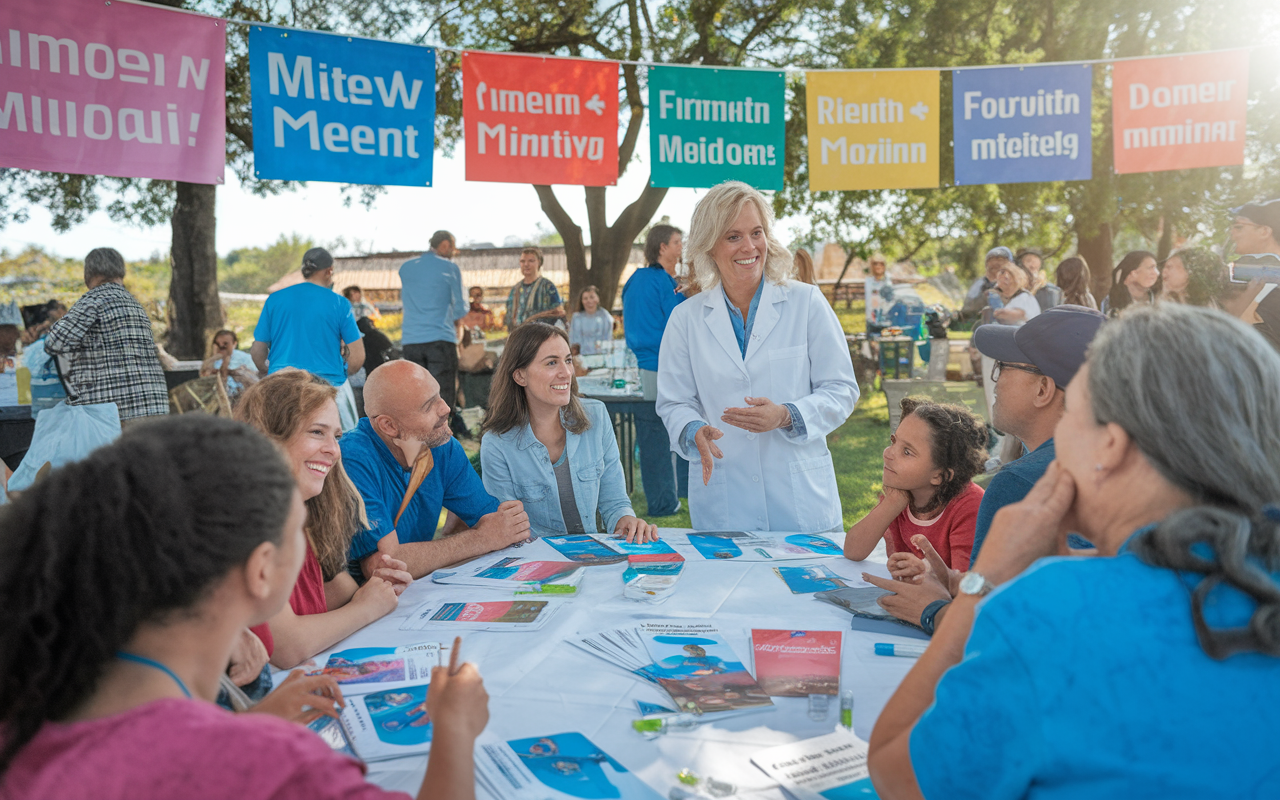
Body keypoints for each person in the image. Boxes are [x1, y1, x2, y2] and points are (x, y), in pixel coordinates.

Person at [866, 302, 1280, 800]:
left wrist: (981, 587)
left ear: (1110, 445)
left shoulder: (1050, 608)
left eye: (1075, 420)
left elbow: (895, 770)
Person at [0, 415, 489, 800]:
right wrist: (455, 728)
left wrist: (249, 724)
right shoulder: (274, 764)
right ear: (261, 571)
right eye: (298, 527)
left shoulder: (28, 704)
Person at [875, 306, 1105, 635]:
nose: (994, 380)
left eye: (1002, 367)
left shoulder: (1020, 483)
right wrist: (957, 582)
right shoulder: (1115, 466)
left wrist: (933, 610)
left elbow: (991, 628)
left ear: (1043, 389)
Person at [657, 181, 860, 532]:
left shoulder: (806, 303)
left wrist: (787, 414)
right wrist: (694, 431)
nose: (749, 246)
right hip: (725, 498)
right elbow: (674, 402)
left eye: (757, 233)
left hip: (800, 502)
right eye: (733, 236)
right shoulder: (685, 319)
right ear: (709, 246)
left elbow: (841, 389)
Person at [234, 371, 411, 669]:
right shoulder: (244, 525)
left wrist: (378, 584)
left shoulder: (299, 521)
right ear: (268, 437)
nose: (334, 450)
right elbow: (287, 645)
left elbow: (338, 595)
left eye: (336, 436)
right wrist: (367, 607)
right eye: (317, 432)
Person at [340, 359, 532, 580]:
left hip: (410, 596)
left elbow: (496, 524)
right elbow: (383, 566)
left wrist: (494, 532)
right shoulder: (352, 459)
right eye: (428, 405)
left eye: (439, 395)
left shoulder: (441, 446)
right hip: (351, 605)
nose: (446, 409)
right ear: (388, 426)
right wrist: (481, 539)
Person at [480, 324, 658, 542]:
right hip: (536, 565)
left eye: (568, 360)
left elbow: (615, 502)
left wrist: (627, 521)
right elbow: (510, 530)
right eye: (552, 363)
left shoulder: (597, 416)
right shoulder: (497, 444)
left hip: (593, 560)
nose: (566, 373)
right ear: (520, 376)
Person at [843, 398, 986, 571]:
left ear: (939, 475)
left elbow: (964, 583)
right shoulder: (901, 493)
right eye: (893, 441)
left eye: (907, 452)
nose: (888, 453)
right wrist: (891, 504)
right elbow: (853, 551)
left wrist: (923, 571)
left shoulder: (969, 506)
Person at [43, 247, 167, 424]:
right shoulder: (135, 304)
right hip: (154, 405)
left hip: (115, 412)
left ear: (88, 273)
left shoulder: (94, 299)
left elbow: (53, 343)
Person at [250, 248, 364, 432]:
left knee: (283, 446)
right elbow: (357, 358)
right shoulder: (339, 303)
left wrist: (269, 371)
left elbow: (257, 352)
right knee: (335, 450)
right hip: (328, 390)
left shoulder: (275, 300)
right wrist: (341, 374)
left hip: (282, 389)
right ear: (329, 271)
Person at [623, 224, 689, 516]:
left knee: (653, 435)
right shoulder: (664, 282)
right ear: (662, 247)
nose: (681, 248)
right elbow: (681, 322)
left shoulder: (634, 280)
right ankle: (664, 502)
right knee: (663, 436)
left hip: (640, 367)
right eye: (678, 242)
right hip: (663, 368)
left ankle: (678, 493)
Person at [399, 231, 469, 439]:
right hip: (440, 338)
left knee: (416, 396)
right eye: (453, 248)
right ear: (445, 245)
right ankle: (442, 444)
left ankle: (416, 441)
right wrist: (449, 317)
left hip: (411, 340)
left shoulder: (406, 268)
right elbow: (461, 307)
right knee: (442, 396)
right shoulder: (449, 267)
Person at [506, 247, 562, 331]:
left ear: (539, 262)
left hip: (541, 336)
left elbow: (558, 311)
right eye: (523, 261)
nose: (526, 264)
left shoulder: (547, 287)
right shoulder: (515, 289)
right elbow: (510, 315)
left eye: (531, 261)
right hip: (518, 336)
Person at [200, 329, 258, 399]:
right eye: (218, 344)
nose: (221, 346)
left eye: (225, 344)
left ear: (234, 344)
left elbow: (255, 381)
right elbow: (204, 380)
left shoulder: (245, 359)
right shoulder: (213, 361)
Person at [1101, 250, 1159, 317]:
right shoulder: (1111, 301)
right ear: (1133, 273)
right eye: (1151, 268)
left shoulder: (1158, 299)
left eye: (1155, 268)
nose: (1157, 273)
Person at [959, 248, 1008, 320]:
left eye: (1000, 260)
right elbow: (967, 309)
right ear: (986, 264)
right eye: (992, 259)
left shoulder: (1012, 284)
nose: (996, 263)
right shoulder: (979, 284)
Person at [989, 259, 1041, 325]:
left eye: (1011, 274)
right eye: (1002, 272)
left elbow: (1017, 315)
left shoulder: (1025, 297)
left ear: (1018, 279)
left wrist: (1000, 313)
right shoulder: (996, 296)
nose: (1006, 277)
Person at [567, 285, 615, 356]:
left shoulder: (605, 316)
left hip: (601, 356)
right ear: (582, 301)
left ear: (597, 299)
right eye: (585, 298)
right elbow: (573, 341)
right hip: (582, 358)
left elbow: (608, 339)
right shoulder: (576, 318)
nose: (589, 301)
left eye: (592, 297)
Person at [864, 255, 893, 332]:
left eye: (881, 264)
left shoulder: (888, 281)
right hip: (871, 318)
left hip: (885, 318)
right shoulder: (869, 281)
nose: (878, 267)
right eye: (875, 264)